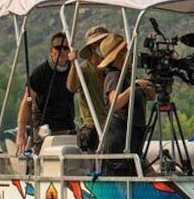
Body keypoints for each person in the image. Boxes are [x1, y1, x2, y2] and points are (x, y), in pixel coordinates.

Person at [97, 33, 157, 176]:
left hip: (133, 137)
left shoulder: (128, 75)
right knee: (126, 177)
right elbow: (115, 103)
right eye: (123, 52)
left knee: (148, 174)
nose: (127, 55)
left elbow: (150, 96)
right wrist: (134, 87)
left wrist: (147, 87)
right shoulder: (114, 75)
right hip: (120, 137)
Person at [16, 32, 76, 154]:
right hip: (44, 126)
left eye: (65, 48)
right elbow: (27, 101)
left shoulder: (73, 69)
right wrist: (21, 134)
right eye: (57, 48)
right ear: (51, 51)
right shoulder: (40, 73)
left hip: (67, 126)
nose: (62, 51)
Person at [67, 25, 109, 152]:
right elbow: (71, 87)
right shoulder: (84, 68)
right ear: (93, 46)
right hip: (92, 125)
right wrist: (73, 65)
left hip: (111, 123)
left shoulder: (112, 67)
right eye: (100, 42)